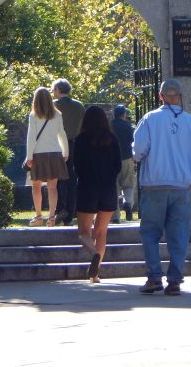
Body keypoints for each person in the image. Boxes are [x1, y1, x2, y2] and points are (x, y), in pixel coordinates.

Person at [133, 79, 191, 296]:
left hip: (155, 186)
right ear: (180, 97)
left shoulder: (150, 119)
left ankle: (154, 276)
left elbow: (138, 151)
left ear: (160, 96)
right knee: (178, 235)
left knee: (150, 233)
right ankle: (174, 280)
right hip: (181, 187)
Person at [73, 105, 122, 282]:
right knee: (101, 232)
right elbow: (118, 166)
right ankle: (96, 273)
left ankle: (93, 254)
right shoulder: (112, 139)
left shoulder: (80, 140)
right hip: (108, 188)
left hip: (87, 187)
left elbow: (76, 166)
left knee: (84, 232)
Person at [24, 86, 70, 227]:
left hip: (38, 154)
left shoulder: (34, 116)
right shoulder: (57, 115)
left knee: (36, 187)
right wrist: (66, 152)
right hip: (55, 153)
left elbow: (31, 137)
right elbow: (62, 134)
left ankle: (38, 217)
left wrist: (29, 156)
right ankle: (51, 217)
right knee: (52, 187)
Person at [52, 78, 84, 226]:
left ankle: (60, 208)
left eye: (54, 90)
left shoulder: (53, 106)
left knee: (58, 179)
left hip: (57, 145)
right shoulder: (79, 106)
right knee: (72, 178)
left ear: (58, 90)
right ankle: (70, 212)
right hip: (76, 145)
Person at [111, 104, 136, 222]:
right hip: (126, 157)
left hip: (112, 159)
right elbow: (133, 141)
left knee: (113, 186)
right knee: (128, 184)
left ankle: (115, 215)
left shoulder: (110, 126)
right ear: (124, 114)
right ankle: (128, 202)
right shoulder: (128, 126)